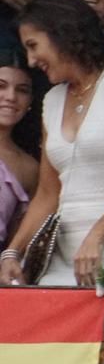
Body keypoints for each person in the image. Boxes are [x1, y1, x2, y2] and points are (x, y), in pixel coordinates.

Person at [0, 0, 104, 287]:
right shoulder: (51, 100)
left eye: (33, 46)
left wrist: (98, 233)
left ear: (61, 32)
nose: (30, 60)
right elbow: (48, 193)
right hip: (63, 261)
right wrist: (13, 252)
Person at [0, 44, 41, 243]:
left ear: (31, 101)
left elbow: (15, 244)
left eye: (22, 90)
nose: (11, 97)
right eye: (1, 86)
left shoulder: (29, 168)